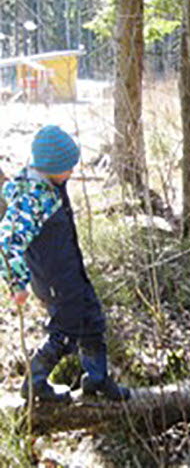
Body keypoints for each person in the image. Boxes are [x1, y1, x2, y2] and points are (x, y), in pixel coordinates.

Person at [0, 126, 130, 402]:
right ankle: (35, 382)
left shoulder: (52, 183)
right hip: (54, 281)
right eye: (67, 167)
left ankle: (96, 378)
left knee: (93, 320)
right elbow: (7, 243)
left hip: (73, 274)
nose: (72, 172)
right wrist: (17, 284)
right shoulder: (30, 199)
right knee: (65, 331)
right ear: (50, 167)